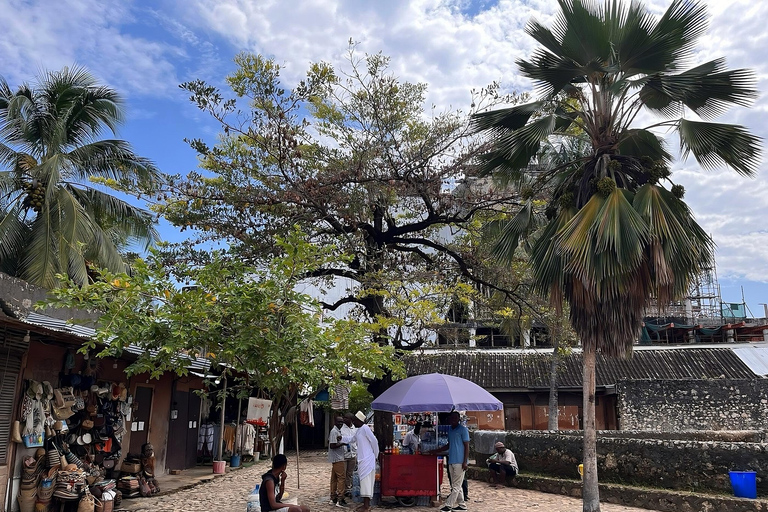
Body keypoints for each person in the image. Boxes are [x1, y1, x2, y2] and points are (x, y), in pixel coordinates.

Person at [427, 411, 469, 512]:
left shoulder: (463, 430)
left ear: (459, 419)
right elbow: (449, 445)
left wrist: (465, 462)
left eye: (455, 418)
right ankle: (462, 506)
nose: (453, 420)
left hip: (460, 461)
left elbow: (467, 447)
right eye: (452, 418)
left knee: (456, 486)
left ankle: (448, 505)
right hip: (451, 460)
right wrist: (435, 451)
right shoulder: (450, 430)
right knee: (455, 485)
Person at [339, 411, 379, 512]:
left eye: (354, 421)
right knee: (364, 483)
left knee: (366, 483)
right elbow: (352, 439)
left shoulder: (365, 428)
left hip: (368, 460)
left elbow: (374, 441)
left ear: (358, 420)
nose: (353, 423)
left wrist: (375, 454)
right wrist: (342, 438)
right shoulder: (359, 430)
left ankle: (366, 506)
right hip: (362, 460)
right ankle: (366, 505)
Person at [328, 416, 348, 507]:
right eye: (339, 422)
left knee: (334, 478)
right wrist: (342, 443)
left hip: (337, 458)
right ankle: (340, 498)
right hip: (338, 458)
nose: (341, 423)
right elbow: (332, 445)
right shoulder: (334, 431)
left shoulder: (337, 431)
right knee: (341, 478)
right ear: (335, 422)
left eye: (342, 422)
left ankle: (333, 497)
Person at [341, 413, 358, 498]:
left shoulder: (354, 428)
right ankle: (342, 490)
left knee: (350, 473)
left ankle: (348, 489)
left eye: (346, 418)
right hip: (344, 454)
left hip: (353, 454)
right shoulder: (341, 428)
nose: (344, 419)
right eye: (344, 418)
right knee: (343, 473)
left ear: (351, 419)